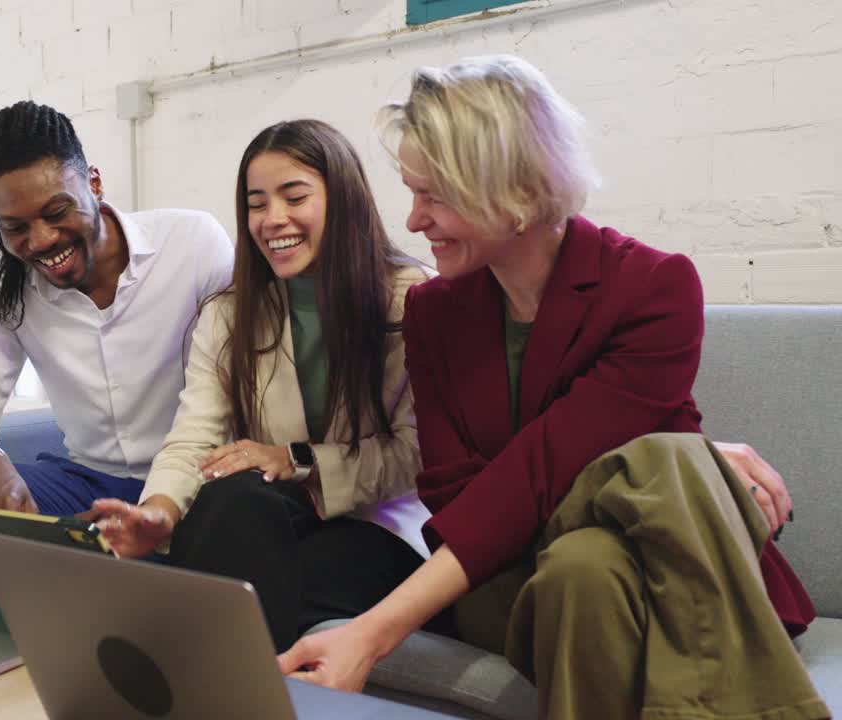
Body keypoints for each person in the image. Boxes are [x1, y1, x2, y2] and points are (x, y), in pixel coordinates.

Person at [276, 56, 827, 720]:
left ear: (511, 189)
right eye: (412, 191)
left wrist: (372, 630)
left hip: (648, 568)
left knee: (586, 569)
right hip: (501, 579)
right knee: (666, 462)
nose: (414, 220)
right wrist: (689, 465)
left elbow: (536, 474)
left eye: (434, 194)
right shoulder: (432, 313)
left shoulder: (655, 289)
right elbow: (456, 494)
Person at [92, 119, 435, 652]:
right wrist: (157, 513)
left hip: (380, 525)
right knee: (229, 497)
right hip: (283, 519)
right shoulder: (231, 312)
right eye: (256, 204)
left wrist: (296, 459)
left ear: (342, 199)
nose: (273, 219)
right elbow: (195, 437)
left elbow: (417, 455)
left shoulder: (409, 298)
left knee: (241, 582)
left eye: (294, 197)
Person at [0, 101, 234, 572]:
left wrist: (166, 499)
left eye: (56, 212)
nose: (40, 241)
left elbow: (223, 394)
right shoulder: (1, 278)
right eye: (14, 227)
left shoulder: (192, 244)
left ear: (93, 183)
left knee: (239, 512)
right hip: (86, 486)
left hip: (195, 485)